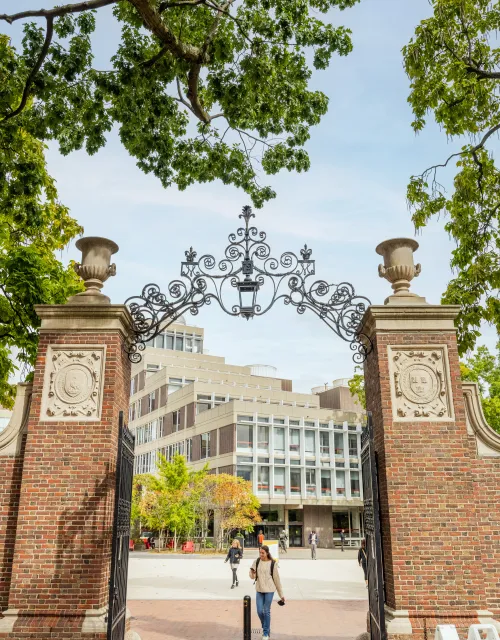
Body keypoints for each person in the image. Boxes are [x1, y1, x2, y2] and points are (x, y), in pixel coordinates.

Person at [249, 545, 285, 640]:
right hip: (259, 589)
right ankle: (266, 626)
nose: (261, 554)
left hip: (269, 590)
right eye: (260, 552)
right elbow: (252, 576)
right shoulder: (256, 562)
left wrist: (281, 595)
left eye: (262, 553)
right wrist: (252, 573)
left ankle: (265, 633)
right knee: (259, 611)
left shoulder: (272, 564)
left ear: (267, 553)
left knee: (266, 611)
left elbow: (277, 580)